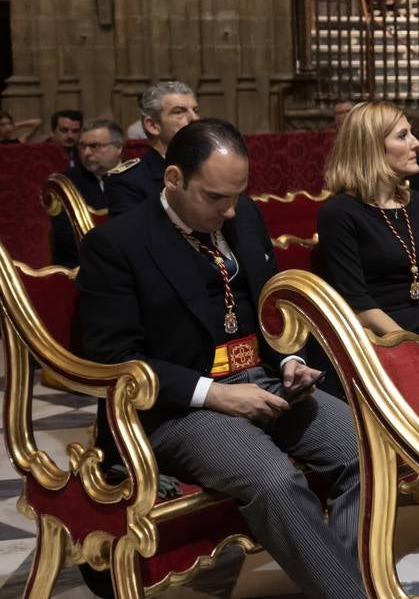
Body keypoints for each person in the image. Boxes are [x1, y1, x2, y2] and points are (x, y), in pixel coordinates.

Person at [77, 119, 363, 599]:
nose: (231, 211)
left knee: (362, 450)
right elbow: (115, 357)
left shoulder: (243, 214)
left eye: (237, 195)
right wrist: (219, 395)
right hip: (181, 405)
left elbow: (267, 304)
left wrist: (291, 358)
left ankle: (344, 584)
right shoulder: (117, 244)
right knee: (274, 480)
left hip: (267, 380)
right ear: (173, 179)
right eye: (214, 197)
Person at [317, 101, 419, 334]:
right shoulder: (339, 212)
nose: (417, 143)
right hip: (378, 341)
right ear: (371, 147)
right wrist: (411, 345)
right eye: (403, 136)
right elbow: (358, 304)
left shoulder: (416, 202)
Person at [106, 81, 200, 216]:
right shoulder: (128, 181)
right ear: (153, 126)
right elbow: (132, 234)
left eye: (196, 110)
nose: (195, 118)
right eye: (179, 112)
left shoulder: (209, 166)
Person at [50, 119, 125, 266]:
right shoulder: (65, 183)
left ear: (118, 147)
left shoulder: (138, 175)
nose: (86, 153)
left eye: (94, 146)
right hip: (84, 265)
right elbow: (65, 238)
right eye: (82, 146)